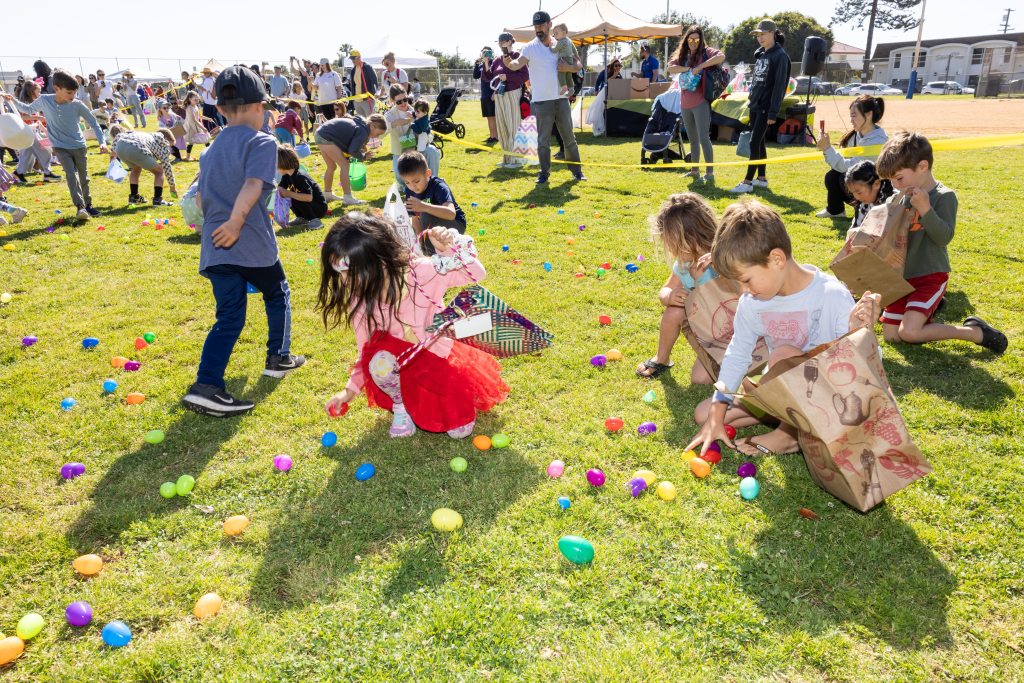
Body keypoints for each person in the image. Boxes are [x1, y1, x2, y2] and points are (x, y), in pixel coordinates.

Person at [684, 200, 880, 457]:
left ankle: (787, 437)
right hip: (785, 395)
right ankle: (796, 426)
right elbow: (739, 353)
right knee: (705, 413)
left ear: (776, 259)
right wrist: (717, 413)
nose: (744, 290)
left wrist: (858, 330)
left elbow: (854, 366)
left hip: (830, 399)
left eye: (746, 280)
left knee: (784, 355)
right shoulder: (753, 302)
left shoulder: (830, 295)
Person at [182, 66, 305, 417]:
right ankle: (278, 357)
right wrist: (236, 222)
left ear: (220, 109)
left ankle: (207, 385)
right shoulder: (262, 141)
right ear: (260, 107)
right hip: (248, 241)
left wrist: (220, 223)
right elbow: (254, 185)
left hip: (214, 247)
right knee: (277, 292)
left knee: (229, 317)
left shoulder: (209, 150)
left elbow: (202, 200)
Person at [319, 213, 508, 438]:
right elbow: (365, 352)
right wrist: (348, 391)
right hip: (399, 367)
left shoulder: (421, 272)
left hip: (438, 358)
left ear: (379, 260)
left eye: (350, 272)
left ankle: (431, 401)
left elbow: (477, 274)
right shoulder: (358, 300)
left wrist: (446, 251)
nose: (344, 281)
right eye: (338, 272)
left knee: (459, 431)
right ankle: (401, 407)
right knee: (378, 361)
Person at [875, 131, 1007, 353]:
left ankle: (975, 332)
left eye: (898, 178)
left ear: (923, 166)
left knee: (909, 333)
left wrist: (925, 209)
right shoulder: (897, 198)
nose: (895, 185)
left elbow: (944, 237)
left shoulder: (943, 196)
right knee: (892, 337)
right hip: (900, 279)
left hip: (929, 275)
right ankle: (924, 311)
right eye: (890, 180)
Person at [3, 69, 108, 220]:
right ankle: (80, 208)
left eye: (75, 93)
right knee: (71, 175)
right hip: (60, 147)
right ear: (57, 88)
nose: (73, 96)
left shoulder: (77, 105)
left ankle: (89, 205)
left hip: (79, 146)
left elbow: (94, 124)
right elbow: (27, 109)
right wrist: (12, 100)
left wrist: (102, 142)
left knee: (84, 177)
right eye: (70, 93)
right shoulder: (44, 100)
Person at [636, 193, 719, 382]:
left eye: (675, 245)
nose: (673, 252)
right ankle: (662, 359)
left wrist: (698, 283)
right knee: (673, 311)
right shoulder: (684, 262)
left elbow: (725, 304)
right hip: (702, 329)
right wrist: (669, 296)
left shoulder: (721, 261)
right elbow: (665, 290)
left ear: (695, 236)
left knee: (700, 379)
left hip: (725, 332)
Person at [502, 10, 584, 184]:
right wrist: (509, 62)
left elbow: (578, 64)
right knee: (543, 141)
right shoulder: (530, 47)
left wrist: (568, 69)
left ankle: (577, 171)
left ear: (549, 25)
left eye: (541, 25)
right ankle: (544, 173)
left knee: (569, 138)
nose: (538, 29)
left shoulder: (562, 42)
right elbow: (518, 64)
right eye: (536, 26)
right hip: (540, 102)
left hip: (561, 100)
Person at [728, 19, 791, 194]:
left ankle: (747, 182)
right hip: (755, 104)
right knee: (760, 141)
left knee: (754, 141)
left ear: (773, 33)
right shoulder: (763, 54)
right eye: (758, 35)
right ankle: (761, 178)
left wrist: (773, 111)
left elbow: (779, 86)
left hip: (766, 106)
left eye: (763, 34)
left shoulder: (780, 56)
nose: (760, 38)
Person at [666, 26, 725, 185]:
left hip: (701, 102)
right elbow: (670, 68)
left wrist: (700, 66)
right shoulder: (683, 55)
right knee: (692, 139)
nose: (693, 42)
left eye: (696, 39)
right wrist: (688, 68)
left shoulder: (707, 52)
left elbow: (721, 57)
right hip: (685, 103)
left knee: (704, 138)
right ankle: (694, 170)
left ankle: (710, 173)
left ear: (701, 40)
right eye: (690, 39)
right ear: (686, 40)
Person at [815, 95, 889, 219]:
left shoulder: (877, 141)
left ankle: (867, 207)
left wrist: (827, 148)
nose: (851, 120)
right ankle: (835, 210)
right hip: (866, 183)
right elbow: (845, 161)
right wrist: (826, 148)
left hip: (877, 188)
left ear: (868, 114)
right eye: (850, 116)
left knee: (845, 177)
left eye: (854, 115)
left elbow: (848, 167)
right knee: (832, 176)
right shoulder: (857, 135)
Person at [313, 113, 388, 204]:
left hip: (320, 133)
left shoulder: (361, 124)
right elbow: (352, 150)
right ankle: (348, 197)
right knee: (345, 165)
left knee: (331, 166)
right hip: (326, 136)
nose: (377, 137)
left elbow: (349, 143)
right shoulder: (363, 131)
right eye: (378, 133)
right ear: (372, 126)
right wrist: (363, 156)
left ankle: (327, 194)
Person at [398, 150, 466, 244]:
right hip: (431, 226)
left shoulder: (439, 186)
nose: (412, 186)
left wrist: (424, 206)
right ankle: (426, 249)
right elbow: (415, 220)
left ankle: (433, 255)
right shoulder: (409, 190)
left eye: (416, 181)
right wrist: (420, 246)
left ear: (428, 173)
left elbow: (451, 214)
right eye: (407, 182)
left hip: (455, 226)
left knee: (426, 215)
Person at [109, 125, 178, 206]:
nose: (168, 147)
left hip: (120, 147)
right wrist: (172, 187)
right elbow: (167, 167)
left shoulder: (141, 134)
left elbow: (118, 138)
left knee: (136, 168)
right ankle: (157, 200)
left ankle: (134, 198)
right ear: (165, 139)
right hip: (136, 148)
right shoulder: (160, 140)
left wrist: (113, 160)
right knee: (159, 172)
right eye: (169, 145)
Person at [488, 32, 529, 168]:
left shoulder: (517, 56)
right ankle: (507, 158)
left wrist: (508, 77)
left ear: (511, 42)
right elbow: (490, 77)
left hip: (513, 93)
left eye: (503, 41)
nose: (501, 44)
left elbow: (524, 76)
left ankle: (517, 159)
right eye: (499, 42)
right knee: (502, 127)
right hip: (500, 95)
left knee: (513, 126)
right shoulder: (497, 59)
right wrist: (485, 62)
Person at [12, 79, 59, 184]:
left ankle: (18, 173)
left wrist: (43, 128)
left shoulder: (35, 103)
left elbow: (36, 120)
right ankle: (47, 173)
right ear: (31, 91)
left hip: (32, 131)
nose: (39, 94)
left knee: (26, 154)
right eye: (38, 91)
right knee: (45, 151)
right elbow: (22, 117)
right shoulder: (24, 103)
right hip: (28, 131)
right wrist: (40, 117)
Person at [277, 144, 327, 229]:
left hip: (318, 208)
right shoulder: (286, 176)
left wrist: (289, 193)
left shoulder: (300, 177)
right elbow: (280, 188)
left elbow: (309, 197)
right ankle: (302, 218)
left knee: (294, 196)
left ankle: (315, 221)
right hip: (309, 205)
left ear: (282, 163)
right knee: (290, 197)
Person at [844, 161, 894, 228]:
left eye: (859, 192)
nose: (856, 197)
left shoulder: (891, 203)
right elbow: (856, 228)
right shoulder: (864, 205)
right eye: (853, 193)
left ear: (876, 184)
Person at [384, 84, 415, 188]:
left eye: (405, 99)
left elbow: (429, 130)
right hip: (399, 152)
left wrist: (416, 119)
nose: (403, 103)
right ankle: (404, 185)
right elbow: (381, 135)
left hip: (417, 149)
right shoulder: (389, 115)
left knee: (432, 152)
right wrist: (393, 124)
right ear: (392, 101)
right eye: (399, 101)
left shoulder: (416, 110)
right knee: (400, 177)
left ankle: (431, 183)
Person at [473, 47, 499, 144]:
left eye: (487, 52)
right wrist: (476, 64)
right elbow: (475, 76)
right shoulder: (480, 65)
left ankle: (496, 136)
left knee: (494, 116)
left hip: (492, 93)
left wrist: (495, 92)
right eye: (483, 52)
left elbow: (496, 78)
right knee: (489, 116)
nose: (484, 54)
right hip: (484, 94)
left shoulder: (494, 63)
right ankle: (492, 136)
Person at [411, 98, 440, 176]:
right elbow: (414, 115)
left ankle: (419, 153)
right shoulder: (421, 115)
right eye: (415, 111)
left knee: (421, 142)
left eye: (418, 112)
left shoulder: (424, 121)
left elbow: (419, 130)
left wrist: (412, 125)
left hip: (423, 134)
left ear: (425, 112)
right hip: (424, 134)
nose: (416, 113)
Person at [550, 24, 581, 97]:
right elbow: (574, 49)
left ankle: (564, 87)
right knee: (568, 75)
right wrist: (577, 56)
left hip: (563, 59)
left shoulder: (561, 41)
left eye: (556, 33)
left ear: (564, 33)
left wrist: (551, 46)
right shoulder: (569, 40)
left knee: (561, 73)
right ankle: (571, 88)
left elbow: (555, 50)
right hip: (570, 60)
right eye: (554, 34)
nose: (555, 35)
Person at [183, 91, 214, 160]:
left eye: (198, 99)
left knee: (205, 139)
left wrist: (208, 118)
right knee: (191, 142)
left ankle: (210, 154)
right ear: (190, 99)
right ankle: (188, 157)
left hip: (197, 125)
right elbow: (194, 120)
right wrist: (203, 128)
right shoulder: (189, 108)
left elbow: (199, 116)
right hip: (192, 127)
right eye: (195, 100)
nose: (197, 101)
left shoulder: (196, 106)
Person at [347, 50, 378, 119]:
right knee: (361, 121)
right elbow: (353, 85)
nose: (352, 61)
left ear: (359, 58)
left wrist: (373, 94)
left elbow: (374, 81)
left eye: (353, 58)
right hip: (357, 101)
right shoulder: (353, 70)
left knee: (371, 121)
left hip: (367, 100)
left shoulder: (368, 67)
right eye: (351, 59)